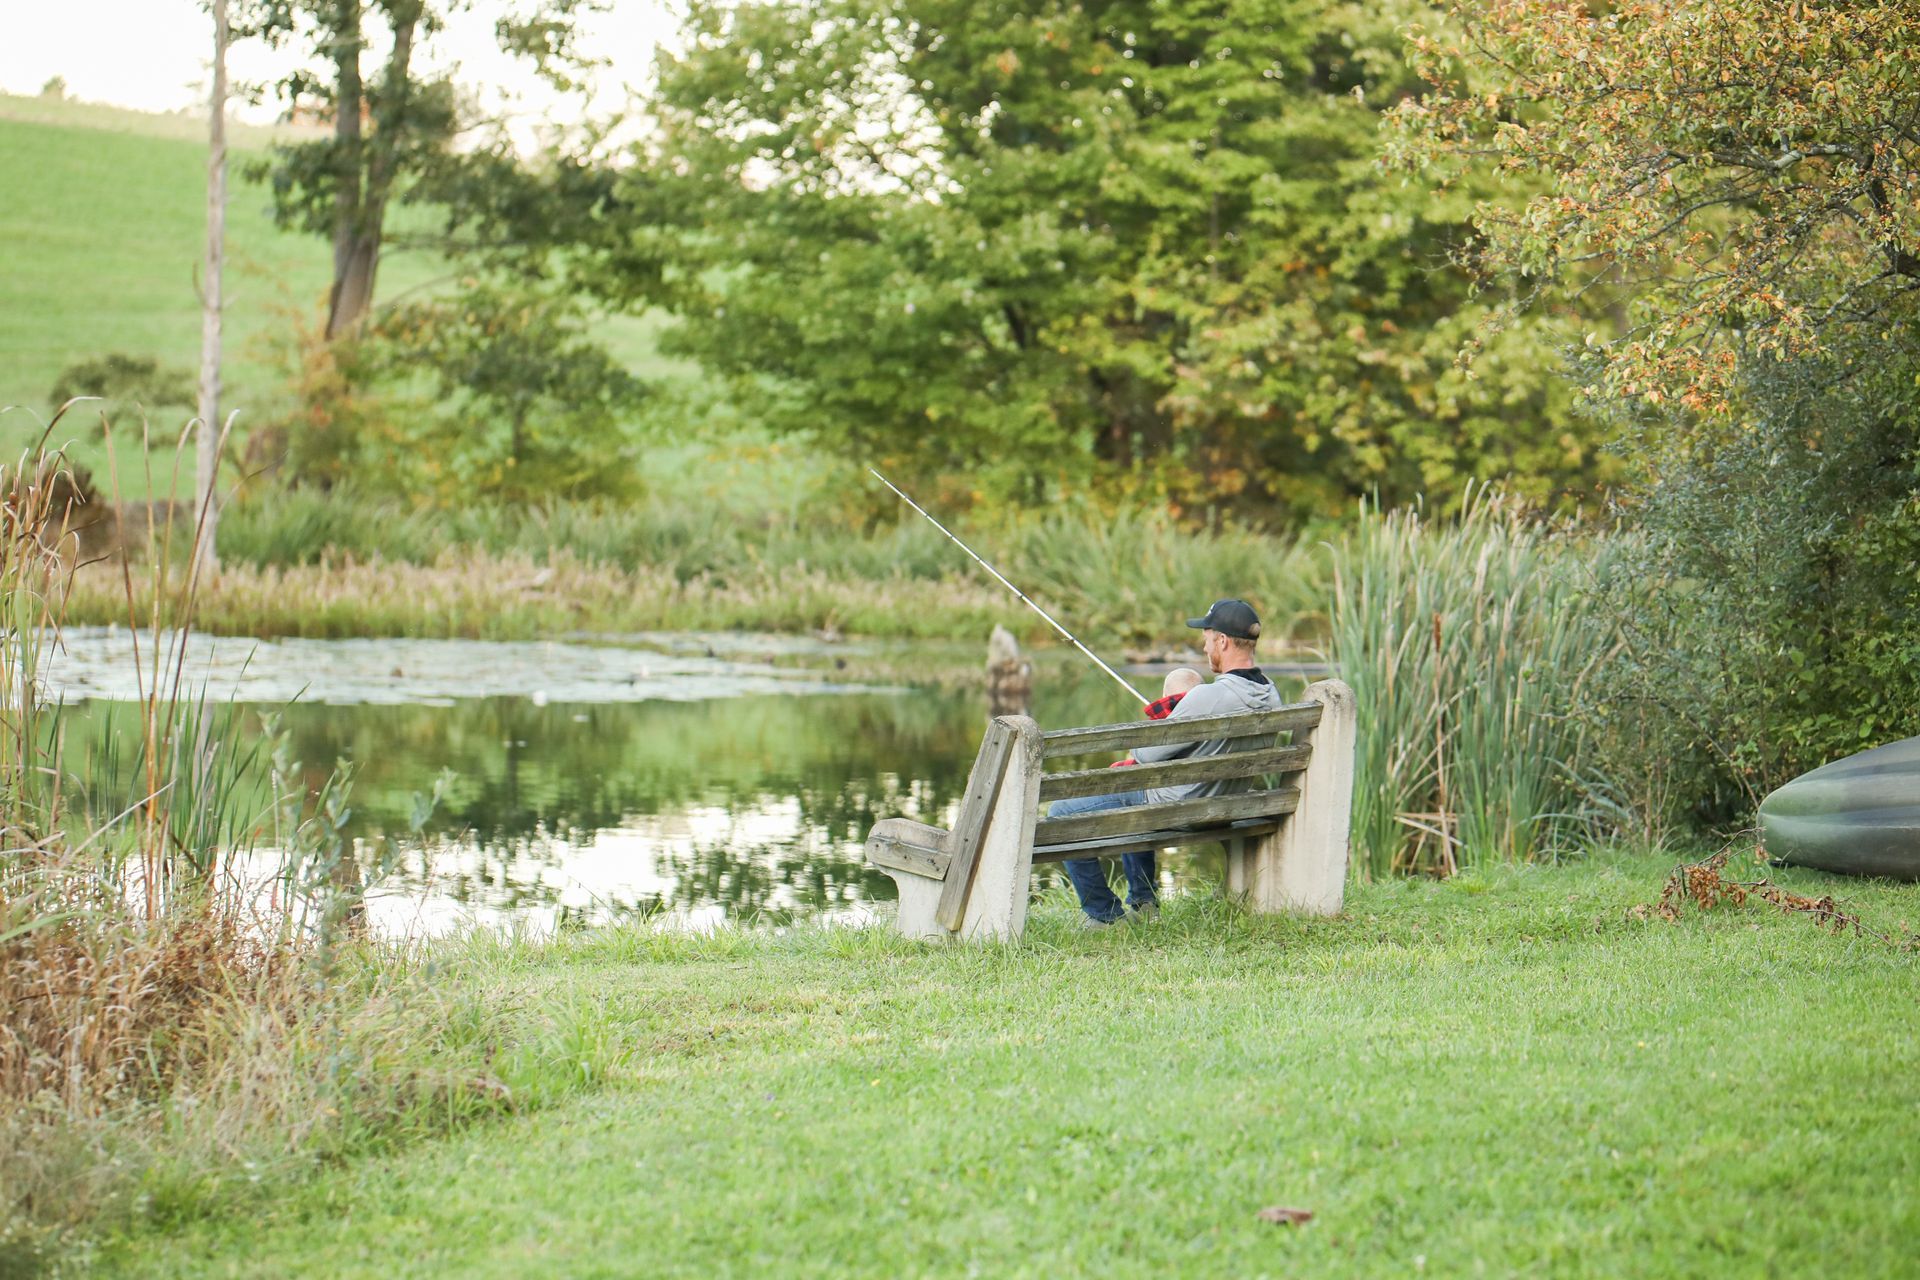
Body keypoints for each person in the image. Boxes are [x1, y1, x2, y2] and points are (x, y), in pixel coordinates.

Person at [1048, 599, 1282, 926]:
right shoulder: (1272, 695)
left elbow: (1146, 755)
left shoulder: (1207, 697)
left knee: (1061, 813)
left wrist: (1166, 715)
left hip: (1183, 807)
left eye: (1207, 637)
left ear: (1223, 642)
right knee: (1137, 792)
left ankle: (1104, 916)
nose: (1204, 646)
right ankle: (1143, 903)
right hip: (1227, 805)